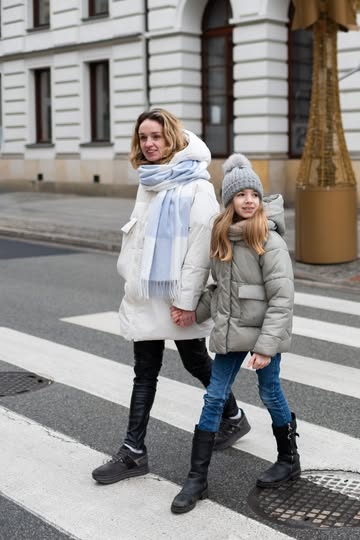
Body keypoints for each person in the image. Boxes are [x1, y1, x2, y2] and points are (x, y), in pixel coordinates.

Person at [92, 109, 250, 485]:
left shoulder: (195, 185)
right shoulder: (149, 179)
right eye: (143, 137)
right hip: (147, 293)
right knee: (145, 371)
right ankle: (133, 451)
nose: (149, 143)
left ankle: (231, 416)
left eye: (156, 137)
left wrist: (185, 302)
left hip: (178, 297)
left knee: (197, 362)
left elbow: (200, 249)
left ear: (172, 139)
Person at [170, 153, 296, 514]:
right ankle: (197, 478)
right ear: (229, 201)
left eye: (253, 195)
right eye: (240, 195)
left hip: (262, 335)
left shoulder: (268, 240)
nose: (249, 200)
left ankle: (289, 459)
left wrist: (267, 347)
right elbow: (219, 292)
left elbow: (282, 298)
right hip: (230, 333)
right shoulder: (222, 237)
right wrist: (194, 312)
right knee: (214, 398)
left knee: (270, 392)